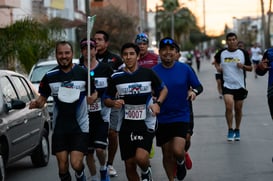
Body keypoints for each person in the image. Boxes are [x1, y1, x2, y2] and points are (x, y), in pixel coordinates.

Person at [29, 41, 97, 181]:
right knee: (62, 166)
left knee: (76, 163)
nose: (64, 56)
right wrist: (35, 104)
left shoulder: (83, 73)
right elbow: (42, 100)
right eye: (60, 53)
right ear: (56, 55)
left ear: (72, 54)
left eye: (67, 53)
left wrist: (92, 98)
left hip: (80, 126)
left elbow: (95, 93)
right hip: (60, 127)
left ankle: (80, 174)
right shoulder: (50, 76)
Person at [104, 42, 168, 181]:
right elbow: (106, 99)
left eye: (132, 54)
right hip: (126, 124)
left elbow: (163, 89)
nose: (128, 57)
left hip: (145, 122)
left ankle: (145, 171)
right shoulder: (116, 77)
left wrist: (158, 104)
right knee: (129, 164)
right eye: (125, 54)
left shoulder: (148, 73)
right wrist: (113, 102)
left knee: (141, 157)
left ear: (138, 56)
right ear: (122, 57)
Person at [153, 37, 203, 181]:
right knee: (166, 153)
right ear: (160, 52)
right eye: (164, 49)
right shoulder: (153, 72)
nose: (167, 52)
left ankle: (180, 162)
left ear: (176, 52)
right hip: (162, 117)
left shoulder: (185, 69)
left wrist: (194, 92)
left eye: (171, 49)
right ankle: (171, 179)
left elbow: (199, 86)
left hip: (181, 115)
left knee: (177, 150)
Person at [79, 38, 113, 181]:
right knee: (88, 153)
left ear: (95, 50)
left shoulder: (105, 68)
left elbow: (113, 87)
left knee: (100, 149)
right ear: (82, 51)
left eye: (90, 47)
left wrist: (100, 95)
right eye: (84, 48)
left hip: (101, 116)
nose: (88, 50)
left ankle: (103, 169)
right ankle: (94, 177)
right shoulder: (78, 70)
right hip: (84, 117)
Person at [94, 30, 124, 177]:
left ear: (106, 43)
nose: (97, 42)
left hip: (112, 102)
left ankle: (110, 164)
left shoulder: (115, 60)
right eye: (95, 40)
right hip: (94, 103)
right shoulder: (86, 58)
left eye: (100, 39)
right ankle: (99, 164)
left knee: (112, 133)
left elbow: (124, 76)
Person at [214, 32, 252, 141]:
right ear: (227, 42)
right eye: (229, 40)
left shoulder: (243, 53)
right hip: (227, 84)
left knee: (238, 109)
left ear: (237, 40)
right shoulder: (222, 53)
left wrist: (243, 66)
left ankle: (237, 129)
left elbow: (250, 68)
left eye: (234, 39)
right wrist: (218, 67)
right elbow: (215, 61)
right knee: (229, 106)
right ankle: (230, 129)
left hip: (240, 85)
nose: (232, 41)